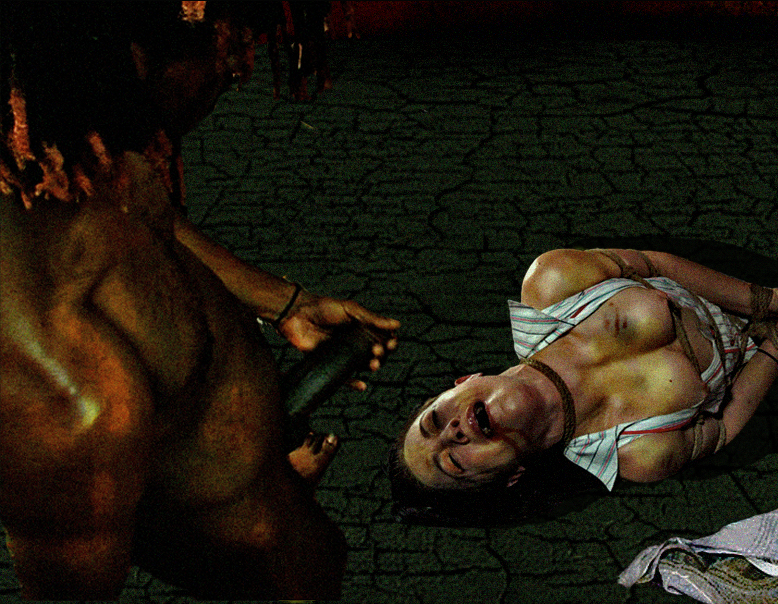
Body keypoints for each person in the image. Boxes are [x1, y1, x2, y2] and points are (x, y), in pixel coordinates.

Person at [0, 2, 398, 600]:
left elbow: (145, 216)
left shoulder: (71, 162)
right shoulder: (68, 401)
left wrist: (283, 302)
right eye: (226, 58)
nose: (233, 70)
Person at [388, 247, 777, 526]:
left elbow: (652, 263)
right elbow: (721, 429)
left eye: (434, 420)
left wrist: (767, 301)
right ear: (511, 476)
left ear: (463, 381)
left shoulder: (552, 282)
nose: (451, 433)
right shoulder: (639, 453)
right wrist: (775, 345)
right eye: (453, 462)